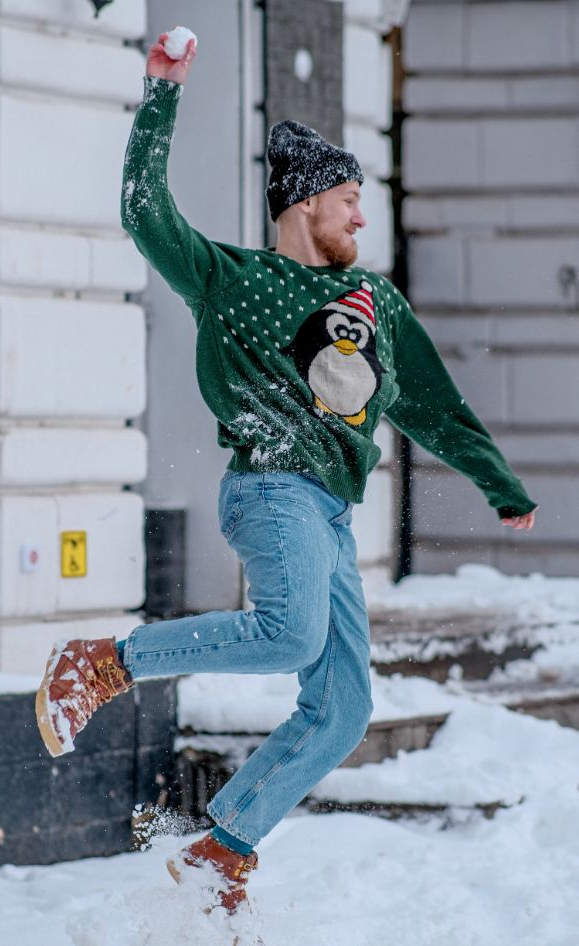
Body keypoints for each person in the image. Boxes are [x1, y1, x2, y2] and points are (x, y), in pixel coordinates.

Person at [36, 33, 538, 918]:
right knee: (291, 633)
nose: (359, 217)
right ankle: (103, 663)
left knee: (342, 708)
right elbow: (144, 210)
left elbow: (426, 399)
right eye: (349, 200)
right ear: (305, 203)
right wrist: (159, 97)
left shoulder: (373, 301)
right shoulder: (234, 280)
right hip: (269, 487)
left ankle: (222, 847)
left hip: (331, 513)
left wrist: (497, 482)